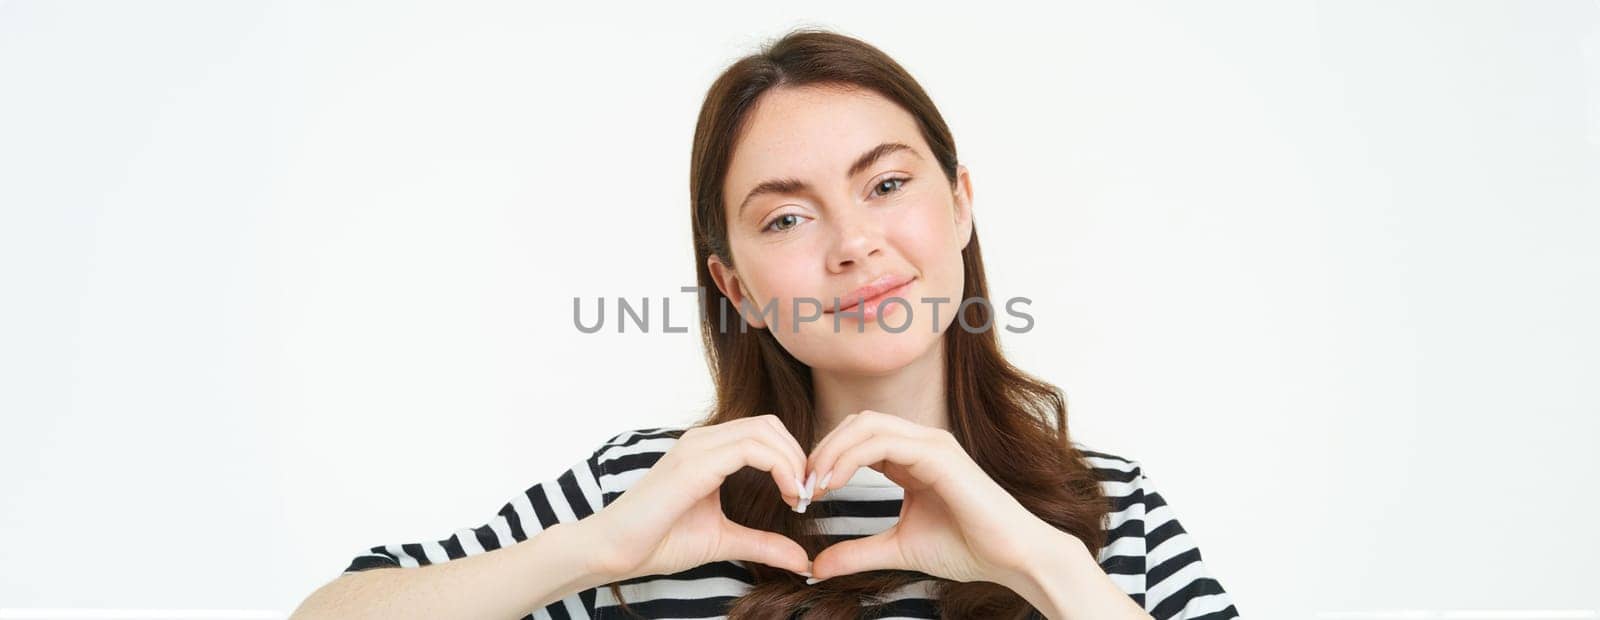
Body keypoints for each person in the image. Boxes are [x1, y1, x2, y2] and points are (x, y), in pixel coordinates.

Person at [291, 28, 1240, 620]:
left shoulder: (1107, 510)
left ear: (959, 203)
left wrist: (1041, 565)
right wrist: (596, 551)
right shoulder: (656, 498)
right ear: (735, 286)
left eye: (887, 184)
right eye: (786, 217)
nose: (855, 244)